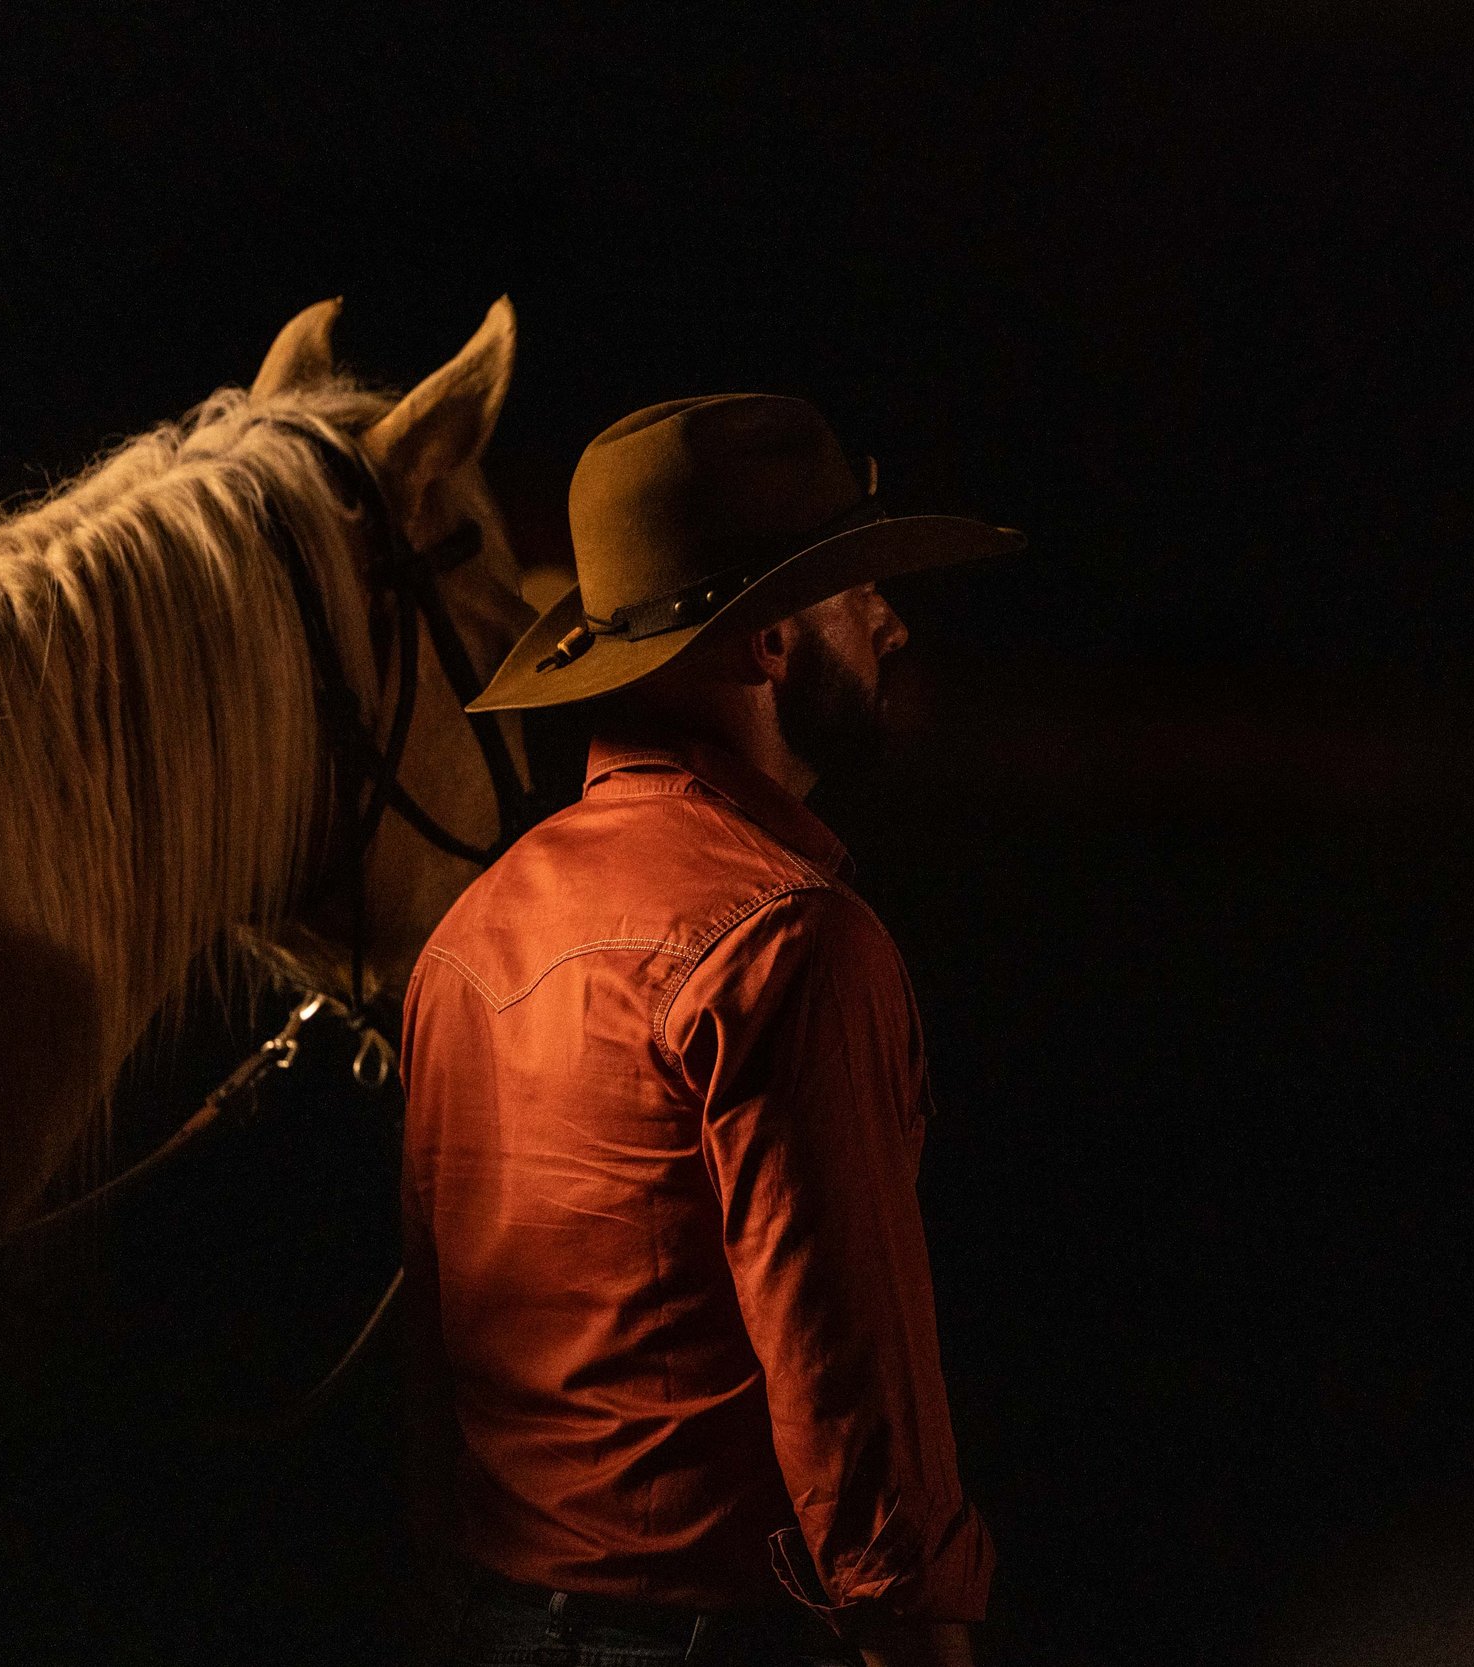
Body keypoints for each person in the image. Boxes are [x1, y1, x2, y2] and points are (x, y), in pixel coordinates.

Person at [398, 394, 1020, 1667]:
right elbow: (858, 1406)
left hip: (480, 1620)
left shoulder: (470, 929)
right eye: (857, 593)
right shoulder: (787, 941)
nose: (892, 620)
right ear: (775, 640)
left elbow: (437, 1356)